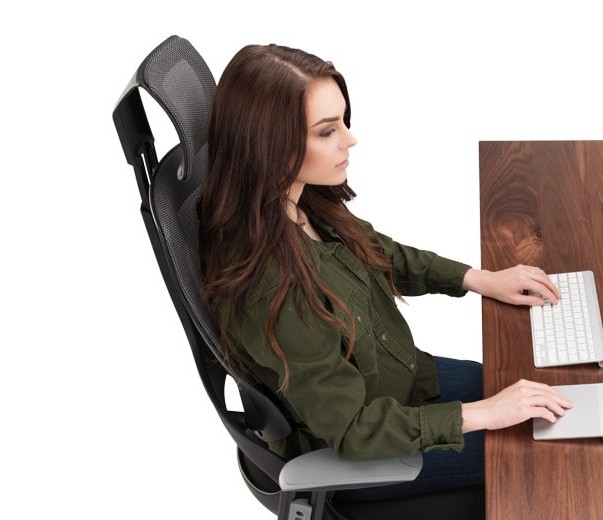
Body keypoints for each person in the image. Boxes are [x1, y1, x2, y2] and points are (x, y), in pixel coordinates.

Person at [199, 43, 572, 501]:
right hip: (366, 450)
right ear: (269, 146)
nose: (349, 140)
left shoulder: (297, 201)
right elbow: (354, 429)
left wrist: (479, 279)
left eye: (343, 122)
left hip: (403, 382)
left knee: (546, 397)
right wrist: (485, 414)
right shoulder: (271, 287)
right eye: (326, 131)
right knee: (548, 448)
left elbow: (377, 252)